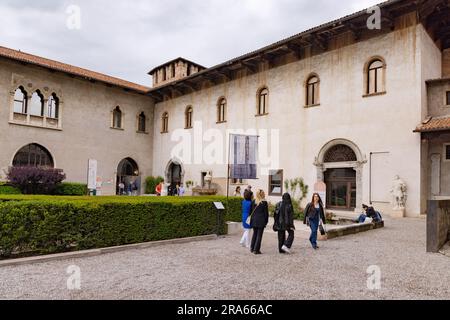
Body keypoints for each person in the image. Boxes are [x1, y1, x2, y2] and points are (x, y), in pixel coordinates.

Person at [250, 189, 269, 255]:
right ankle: (256, 250)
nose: (264, 194)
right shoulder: (264, 203)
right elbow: (266, 214)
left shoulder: (253, 201)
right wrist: (266, 222)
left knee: (254, 234)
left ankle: (252, 248)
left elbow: (250, 211)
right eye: (263, 193)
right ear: (262, 194)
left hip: (254, 220)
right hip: (261, 221)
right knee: (259, 235)